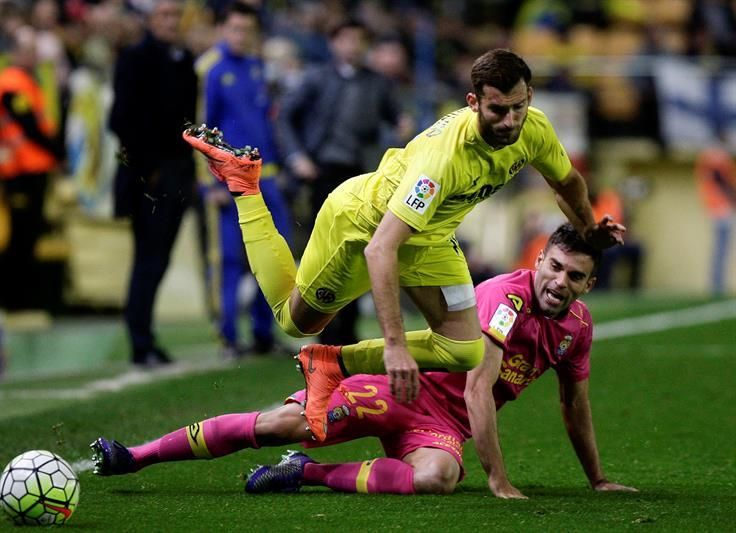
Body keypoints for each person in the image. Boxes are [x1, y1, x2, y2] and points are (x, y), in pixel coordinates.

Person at [184, 48, 626, 442]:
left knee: (464, 349)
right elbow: (381, 249)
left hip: (430, 239)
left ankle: (333, 363)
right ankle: (246, 187)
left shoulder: (534, 128)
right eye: (497, 110)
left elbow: (566, 182)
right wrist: (393, 345)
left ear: (529, 97)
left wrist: (588, 230)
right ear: (473, 103)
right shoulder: (443, 161)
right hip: (363, 227)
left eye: (519, 107)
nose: (510, 121)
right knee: (297, 322)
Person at [90, 224, 637, 498]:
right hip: (401, 388)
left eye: (574, 276)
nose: (558, 282)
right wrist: (498, 480)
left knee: (440, 476)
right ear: (538, 259)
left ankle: (310, 473)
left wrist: (598, 479)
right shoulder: (504, 298)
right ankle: (133, 457)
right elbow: (477, 389)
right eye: (555, 267)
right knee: (288, 422)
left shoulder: (578, 330)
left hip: (440, 428)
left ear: (589, 284)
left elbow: (575, 406)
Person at [274, 18, 414, 346]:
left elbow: (398, 119)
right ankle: (318, 325)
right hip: (322, 174)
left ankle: (344, 332)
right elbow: (284, 117)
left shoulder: (378, 84)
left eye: (359, 40)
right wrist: (297, 157)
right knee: (322, 252)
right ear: (334, 43)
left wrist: (403, 125)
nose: (353, 46)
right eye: (346, 39)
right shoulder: (316, 78)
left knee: (359, 251)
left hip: (362, 178)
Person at [196, 2, 292, 359]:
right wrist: (209, 184)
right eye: (234, 29)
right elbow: (199, 131)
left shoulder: (256, 68)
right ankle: (227, 336)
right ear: (222, 29)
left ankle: (263, 333)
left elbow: (267, 124)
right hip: (228, 181)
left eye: (246, 31)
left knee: (273, 255)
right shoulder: (209, 69)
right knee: (230, 259)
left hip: (266, 178)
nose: (240, 36)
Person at [109, 0, 198, 367]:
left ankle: (145, 337)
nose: (170, 22)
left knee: (158, 260)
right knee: (147, 259)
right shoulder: (134, 58)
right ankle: (139, 341)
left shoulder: (183, 60)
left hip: (177, 172)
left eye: (175, 16)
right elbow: (120, 121)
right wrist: (148, 169)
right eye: (164, 15)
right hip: (150, 176)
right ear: (150, 19)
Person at [0, 25, 62, 310]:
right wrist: (57, 152)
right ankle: (9, 300)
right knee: (18, 238)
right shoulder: (10, 84)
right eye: (27, 49)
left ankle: (20, 300)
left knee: (28, 237)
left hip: (34, 169)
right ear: (14, 52)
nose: (33, 55)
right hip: (19, 171)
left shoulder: (27, 81)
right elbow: (30, 127)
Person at [694, 139, 735, 296]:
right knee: (721, 248)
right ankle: (717, 285)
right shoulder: (715, 157)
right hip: (721, 208)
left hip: (716, 207)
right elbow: (721, 181)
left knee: (721, 248)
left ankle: (717, 283)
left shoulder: (707, 157)